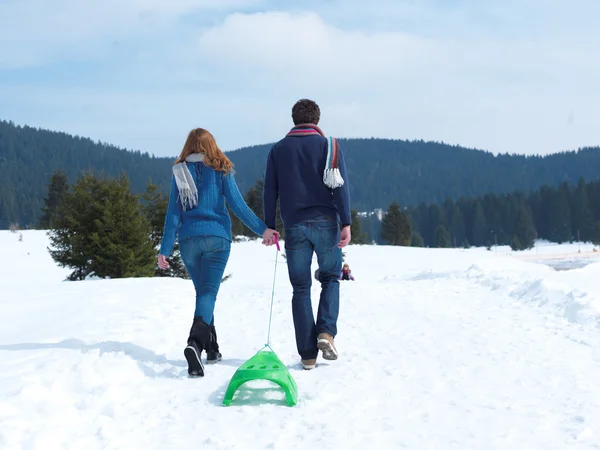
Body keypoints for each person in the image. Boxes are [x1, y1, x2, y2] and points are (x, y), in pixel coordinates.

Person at [158, 128, 279, 377]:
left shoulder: (180, 172)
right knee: (208, 293)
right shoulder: (221, 169)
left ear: (189, 145)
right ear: (212, 145)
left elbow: (173, 213)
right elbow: (238, 205)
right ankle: (195, 343)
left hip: (189, 241)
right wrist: (263, 230)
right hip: (217, 240)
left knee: (204, 294)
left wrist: (165, 249)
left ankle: (212, 347)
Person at [263, 99, 351, 370]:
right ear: (317, 120)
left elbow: (270, 191)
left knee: (301, 288)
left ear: (294, 119)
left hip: (295, 227)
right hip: (327, 222)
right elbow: (340, 187)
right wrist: (346, 222)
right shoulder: (329, 146)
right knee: (331, 278)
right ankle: (325, 332)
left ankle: (308, 355)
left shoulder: (278, 149)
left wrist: (269, 224)